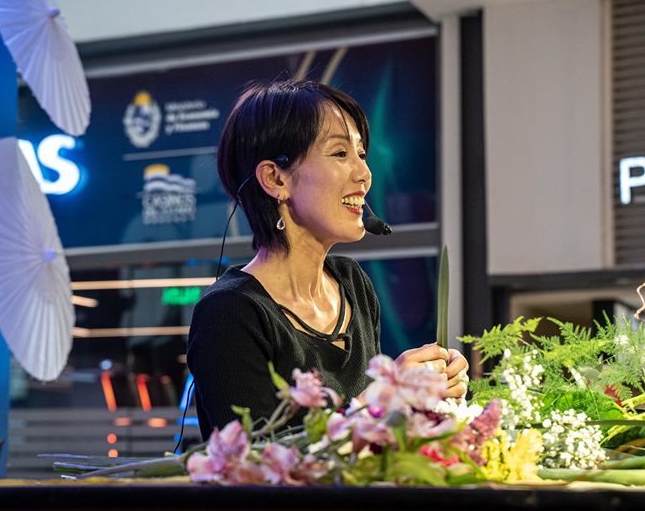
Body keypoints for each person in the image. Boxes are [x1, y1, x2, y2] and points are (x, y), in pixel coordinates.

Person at [186, 80, 468, 441]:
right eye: (340, 154)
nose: (363, 174)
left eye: (362, 155)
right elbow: (256, 464)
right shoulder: (230, 311)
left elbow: (366, 444)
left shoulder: (353, 284)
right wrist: (384, 397)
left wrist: (424, 396)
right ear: (275, 179)